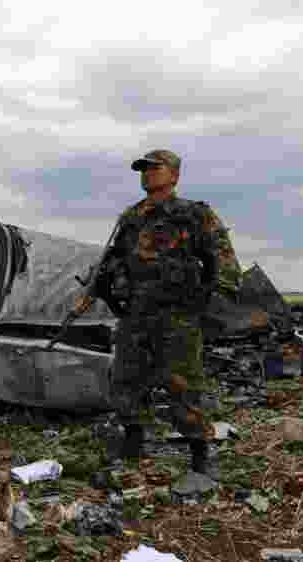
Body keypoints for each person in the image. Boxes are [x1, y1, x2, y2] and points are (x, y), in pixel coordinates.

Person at [103, 149, 241, 474]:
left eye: (155, 168)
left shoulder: (193, 214)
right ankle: (134, 440)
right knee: (126, 381)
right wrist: (107, 285)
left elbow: (223, 259)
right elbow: (115, 258)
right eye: (143, 169)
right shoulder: (131, 217)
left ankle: (199, 452)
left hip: (178, 314)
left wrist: (213, 305)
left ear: (174, 175)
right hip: (135, 312)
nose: (147, 173)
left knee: (184, 385)